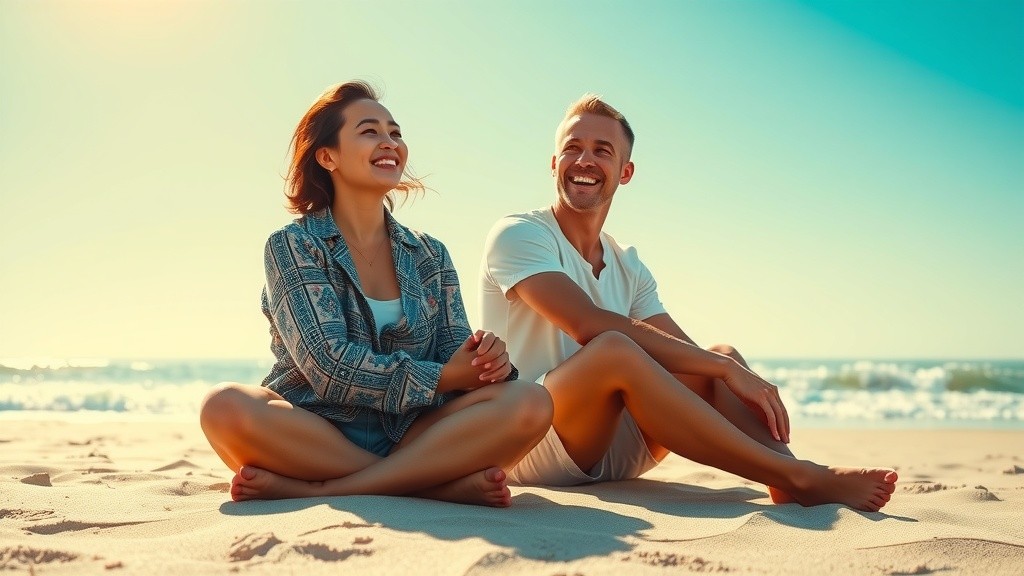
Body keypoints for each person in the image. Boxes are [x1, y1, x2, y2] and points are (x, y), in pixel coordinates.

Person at [478, 94, 897, 512]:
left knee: (715, 357)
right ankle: (801, 475)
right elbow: (587, 323)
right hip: (531, 447)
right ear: (554, 164)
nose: (584, 160)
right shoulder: (519, 234)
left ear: (625, 172)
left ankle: (788, 477)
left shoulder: (627, 263)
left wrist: (723, 365)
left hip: (618, 452)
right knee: (615, 349)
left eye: (601, 151)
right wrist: (726, 370)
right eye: (572, 148)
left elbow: (685, 357)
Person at [200, 81, 552, 508]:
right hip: (315, 429)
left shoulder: (430, 253)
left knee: (531, 401)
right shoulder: (293, 245)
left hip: (413, 430)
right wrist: (444, 377)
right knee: (223, 406)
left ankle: (334, 489)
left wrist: (484, 361)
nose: (390, 142)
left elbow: (452, 353)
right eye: (370, 131)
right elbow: (327, 365)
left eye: (396, 133)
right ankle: (428, 484)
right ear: (327, 156)